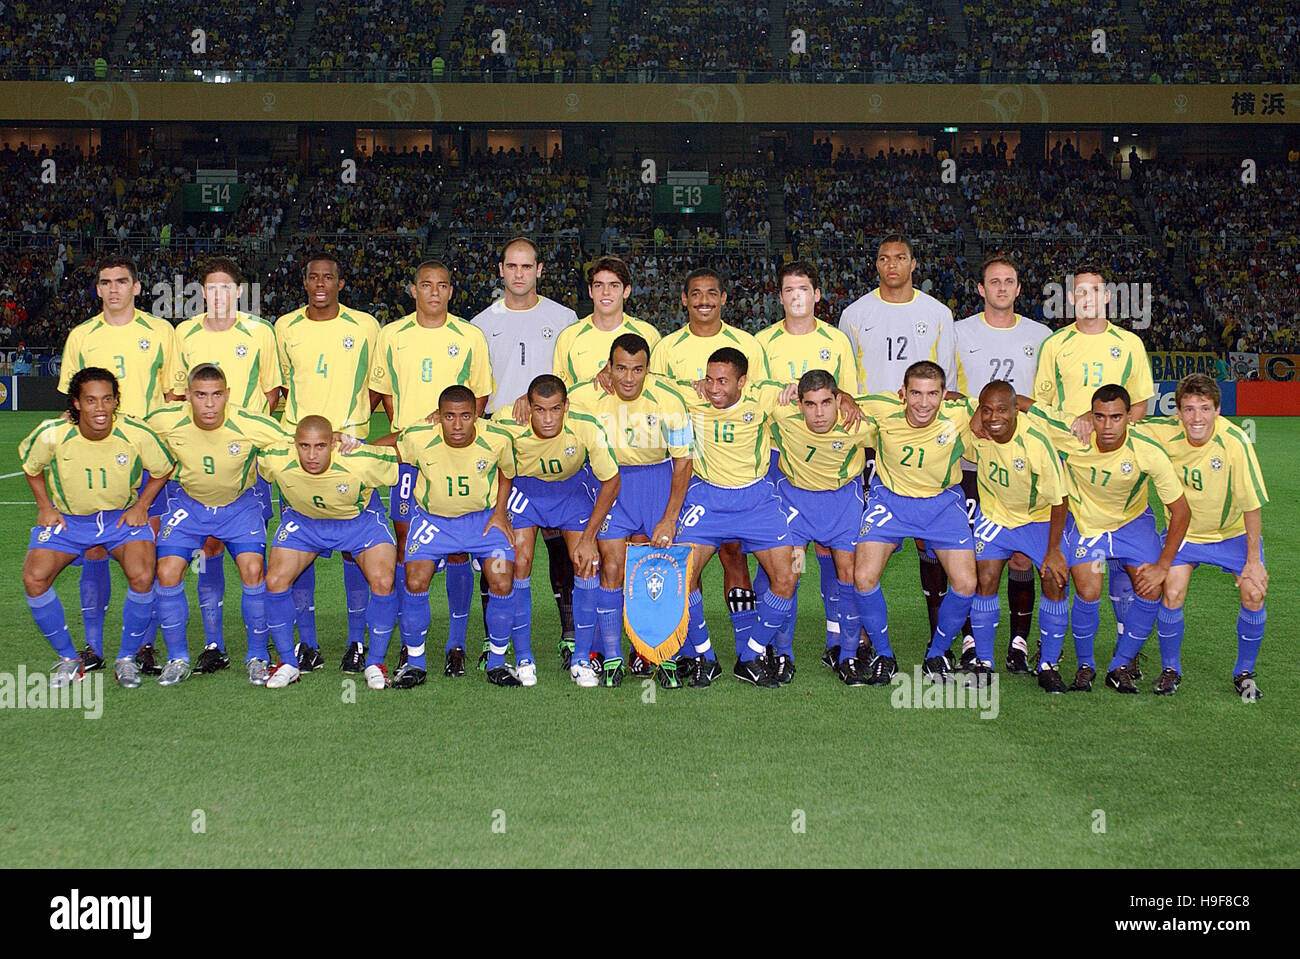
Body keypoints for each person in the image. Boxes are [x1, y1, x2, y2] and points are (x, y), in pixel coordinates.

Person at [58, 254, 181, 676]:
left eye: (122, 281)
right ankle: (92, 648)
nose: (114, 289)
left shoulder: (161, 331)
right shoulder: (81, 336)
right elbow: (71, 404)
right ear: (98, 289)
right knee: (93, 547)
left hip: (145, 459)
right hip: (98, 460)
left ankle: (144, 646)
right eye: (106, 282)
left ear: (136, 288)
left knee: (144, 552)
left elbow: (173, 396)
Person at [369, 259, 492, 676]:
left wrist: (448, 435)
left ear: (451, 291)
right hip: (410, 460)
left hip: (455, 454)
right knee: (407, 546)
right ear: (414, 290)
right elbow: (384, 393)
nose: (434, 292)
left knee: (458, 548)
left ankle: (456, 645)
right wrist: (411, 435)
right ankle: (411, 643)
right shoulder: (391, 335)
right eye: (426, 285)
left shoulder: (470, 336)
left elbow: (479, 399)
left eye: (442, 286)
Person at [1024, 386, 1190, 693]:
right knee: (1088, 589)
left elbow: (1180, 511)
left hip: (1132, 524)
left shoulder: (1147, 449)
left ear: (1129, 417)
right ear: (1091, 416)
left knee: (1151, 586)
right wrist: (977, 412)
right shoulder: (1073, 434)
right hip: (1088, 525)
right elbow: (1022, 403)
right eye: (1099, 417)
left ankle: (1121, 664)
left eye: (1116, 417)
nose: (1108, 425)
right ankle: (1086, 664)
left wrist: (1163, 565)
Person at [1032, 263, 1156, 670]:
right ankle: (1054, 648)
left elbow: (1140, 403)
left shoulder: (1130, 343)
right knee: (1068, 566)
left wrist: (1111, 435)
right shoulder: (1055, 344)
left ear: (1107, 297)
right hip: (1071, 469)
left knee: (1123, 559)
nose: (1086, 298)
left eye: (1094, 291)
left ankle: (1127, 653)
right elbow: (1043, 407)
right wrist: (1074, 429)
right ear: (1070, 298)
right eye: (1078, 291)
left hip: (1119, 468)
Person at [19, 368, 174, 689]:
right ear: (76, 403)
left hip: (120, 520)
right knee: (34, 579)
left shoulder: (135, 432)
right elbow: (31, 467)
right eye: (90, 400)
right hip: (69, 521)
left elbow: (162, 467)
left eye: (106, 399)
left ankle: (127, 658)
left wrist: (142, 506)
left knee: (144, 575)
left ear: (116, 401)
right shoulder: (52, 432)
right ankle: (68, 658)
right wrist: (45, 507)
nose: (99, 408)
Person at [648, 268, 771, 674]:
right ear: (684, 300)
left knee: (735, 556)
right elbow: (656, 392)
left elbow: (759, 400)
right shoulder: (667, 347)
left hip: (740, 476)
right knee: (690, 562)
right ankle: (697, 648)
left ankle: (745, 647)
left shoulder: (746, 344)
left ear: (723, 299)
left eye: (712, 294)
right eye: (695, 294)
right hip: (692, 473)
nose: (704, 300)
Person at [147, 364, 301, 685]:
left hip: (239, 507)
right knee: (167, 571)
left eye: (216, 395)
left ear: (227, 395)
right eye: (200, 395)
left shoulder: (251, 423)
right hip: (188, 507)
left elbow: (299, 440)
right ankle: (177, 658)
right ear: (187, 396)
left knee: (253, 571)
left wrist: (338, 440)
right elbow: (132, 430)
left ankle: (257, 655)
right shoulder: (166, 420)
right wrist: (74, 421)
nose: (209, 404)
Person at [838, 235, 958, 645]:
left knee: (932, 539)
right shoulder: (855, 313)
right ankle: (868, 639)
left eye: (900, 258)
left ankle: (938, 630)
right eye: (884, 258)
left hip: (925, 437)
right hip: (873, 440)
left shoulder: (938, 313)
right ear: (875, 265)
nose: (892, 265)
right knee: (865, 540)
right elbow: (846, 386)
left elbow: (948, 386)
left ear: (913, 264)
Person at [470, 236, 580, 667]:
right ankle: (493, 638)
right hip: (504, 451)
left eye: (526, 266)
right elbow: (480, 389)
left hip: (554, 444)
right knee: (500, 546)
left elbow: (570, 379)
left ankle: (570, 632)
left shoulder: (564, 318)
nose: (519, 274)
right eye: (511, 266)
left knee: (560, 545)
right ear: (501, 270)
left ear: (539, 270)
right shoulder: (481, 323)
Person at [660, 348, 798, 688]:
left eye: (723, 381)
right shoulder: (691, 396)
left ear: (742, 381)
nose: (714, 388)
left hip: (757, 500)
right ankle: (705, 656)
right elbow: (648, 381)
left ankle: (750, 655)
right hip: (707, 498)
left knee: (788, 576)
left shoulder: (764, 396)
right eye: (709, 379)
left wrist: (837, 397)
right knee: (681, 576)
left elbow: (813, 394)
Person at [172, 257, 284, 672]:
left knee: (252, 557)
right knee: (207, 547)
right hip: (200, 462)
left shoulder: (259, 333)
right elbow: (177, 393)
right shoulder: (183, 333)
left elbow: (271, 393)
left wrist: (244, 435)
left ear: (238, 292)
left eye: (226, 288)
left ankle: (260, 646)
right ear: (203, 293)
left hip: (245, 462)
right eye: (210, 288)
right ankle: (214, 644)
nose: (218, 295)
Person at [274, 250, 382, 673]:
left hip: (351, 452)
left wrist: (353, 425)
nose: (321, 284)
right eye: (313, 277)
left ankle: (357, 642)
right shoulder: (285, 327)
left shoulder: (366, 326)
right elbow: (284, 384)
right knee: (299, 545)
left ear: (340, 283)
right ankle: (308, 643)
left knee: (357, 550)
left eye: (328, 278)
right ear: (305, 283)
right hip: (300, 451)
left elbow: (377, 384)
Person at [568, 333, 694, 687]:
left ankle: (660, 655)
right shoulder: (587, 395)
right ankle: (611, 656)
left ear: (648, 369)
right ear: (607, 367)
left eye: (637, 370)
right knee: (612, 568)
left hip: (656, 483)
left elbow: (684, 462)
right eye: (620, 368)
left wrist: (669, 517)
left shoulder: (669, 399)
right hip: (612, 486)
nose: (628, 378)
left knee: (658, 567)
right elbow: (545, 400)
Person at [376, 386, 519, 688]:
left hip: (483, 524)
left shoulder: (498, 438)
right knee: (414, 580)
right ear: (438, 417)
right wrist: (353, 446)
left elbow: (507, 470)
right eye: (449, 416)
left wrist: (500, 512)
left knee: (503, 580)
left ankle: (497, 661)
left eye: (465, 416)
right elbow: (391, 449)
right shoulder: (419, 437)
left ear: (476, 416)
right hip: (434, 524)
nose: (457, 425)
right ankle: (415, 662)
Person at [1137, 375, 1268, 698]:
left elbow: (1251, 506)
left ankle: (1245, 672)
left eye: (1205, 409)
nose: (1197, 418)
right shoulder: (1163, 433)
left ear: (1218, 411)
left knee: (1254, 592)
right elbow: (1121, 424)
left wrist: (1253, 561)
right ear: (1177, 413)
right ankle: (1171, 669)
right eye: (1189, 409)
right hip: (1185, 536)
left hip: (1231, 534)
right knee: (1172, 592)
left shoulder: (1234, 442)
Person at [953, 254, 1052, 673]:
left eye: (1009, 281)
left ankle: (1017, 640)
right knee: (977, 555)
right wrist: (974, 411)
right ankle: (972, 640)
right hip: (971, 460)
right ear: (981, 289)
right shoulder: (958, 333)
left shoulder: (1041, 335)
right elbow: (944, 390)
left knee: (1021, 559)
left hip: (1020, 461)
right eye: (993, 281)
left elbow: (1045, 402)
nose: (1001, 288)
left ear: (1018, 288)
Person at [754, 261, 858, 661]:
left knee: (831, 552)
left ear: (817, 295)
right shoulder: (763, 342)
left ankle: (837, 641)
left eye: (804, 288)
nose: (796, 296)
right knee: (782, 557)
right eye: (788, 289)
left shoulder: (837, 341)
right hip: (779, 461)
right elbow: (755, 396)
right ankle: (778, 647)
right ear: (779, 297)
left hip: (828, 465)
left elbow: (848, 397)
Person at [850, 361, 976, 686]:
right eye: (916, 394)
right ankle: (884, 655)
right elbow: (836, 399)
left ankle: (937, 653)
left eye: (933, 394)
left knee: (965, 583)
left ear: (944, 394)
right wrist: (842, 397)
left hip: (941, 502)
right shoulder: (880, 407)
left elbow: (1004, 404)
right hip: (890, 501)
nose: (923, 403)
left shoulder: (959, 412)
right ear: (902, 393)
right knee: (863, 577)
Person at [256, 416, 400, 690]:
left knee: (383, 581)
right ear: (294, 444)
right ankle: (287, 662)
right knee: (274, 580)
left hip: (359, 523)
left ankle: (376, 662)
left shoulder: (361, 459)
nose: (311, 455)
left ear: (333, 444)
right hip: (305, 524)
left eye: (320, 446)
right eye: (304, 446)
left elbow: (405, 450)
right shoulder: (275, 459)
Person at [495, 375, 620, 687]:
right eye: (539, 410)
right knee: (519, 562)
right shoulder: (507, 421)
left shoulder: (586, 424)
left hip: (570, 491)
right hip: (526, 490)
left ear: (566, 407)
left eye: (554, 410)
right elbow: (475, 440)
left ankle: (582, 659)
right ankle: (524, 657)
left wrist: (590, 538)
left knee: (587, 563)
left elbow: (611, 481)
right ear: (528, 406)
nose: (547, 418)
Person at [960, 381, 1071, 691]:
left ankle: (1047, 663)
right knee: (984, 579)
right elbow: (951, 398)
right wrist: (972, 415)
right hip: (995, 517)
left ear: (1015, 411)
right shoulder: (979, 432)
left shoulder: (1035, 442)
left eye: (1001, 410)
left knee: (1054, 578)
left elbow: (1059, 500)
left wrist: (1053, 550)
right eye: (986, 410)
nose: (994, 417)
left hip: (1036, 520)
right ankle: (984, 662)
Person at [768, 369, 877, 684]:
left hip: (841, 509)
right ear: (800, 404)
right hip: (797, 511)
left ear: (837, 399)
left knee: (848, 575)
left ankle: (847, 655)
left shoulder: (856, 423)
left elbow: (894, 424)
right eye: (811, 404)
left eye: (827, 402)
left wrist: (852, 401)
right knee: (791, 574)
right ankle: (783, 653)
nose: (819, 413)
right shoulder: (781, 415)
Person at [552, 255, 659, 387]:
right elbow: (561, 395)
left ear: (626, 291)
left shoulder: (648, 334)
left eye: (614, 285)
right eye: (598, 285)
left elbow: (657, 390)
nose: (605, 292)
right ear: (590, 291)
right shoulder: (569, 337)